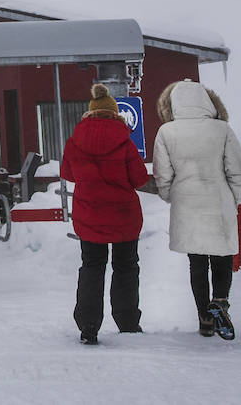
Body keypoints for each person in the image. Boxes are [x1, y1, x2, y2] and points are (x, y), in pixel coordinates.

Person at [152, 79, 241, 339]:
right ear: (207, 101)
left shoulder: (167, 132)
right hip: (218, 200)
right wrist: (236, 198)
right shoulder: (222, 130)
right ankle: (220, 302)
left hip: (186, 203)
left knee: (196, 262)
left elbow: (162, 173)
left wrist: (170, 195)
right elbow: (237, 168)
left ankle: (204, 319)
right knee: (222, 257)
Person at [61, 83, 150, 344]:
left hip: (89, 216)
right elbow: (139, 178)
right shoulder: (124, 141)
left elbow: (67, 174)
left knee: (92, 266)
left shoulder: (74, 141)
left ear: (89, 113)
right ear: (115, 114)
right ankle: (128, 322)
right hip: (123, 216)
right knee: (125, 267)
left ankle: (88, 324)